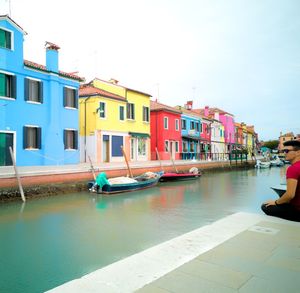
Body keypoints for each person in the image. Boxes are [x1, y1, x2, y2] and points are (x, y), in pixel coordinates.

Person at [261, 140, 300, 222]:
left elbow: (290, 195)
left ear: (298, 152)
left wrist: (276, 202)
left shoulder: (293, 169)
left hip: (297, 211)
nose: (284, 153)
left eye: (287, 151)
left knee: (265, 206)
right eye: (283, 151)